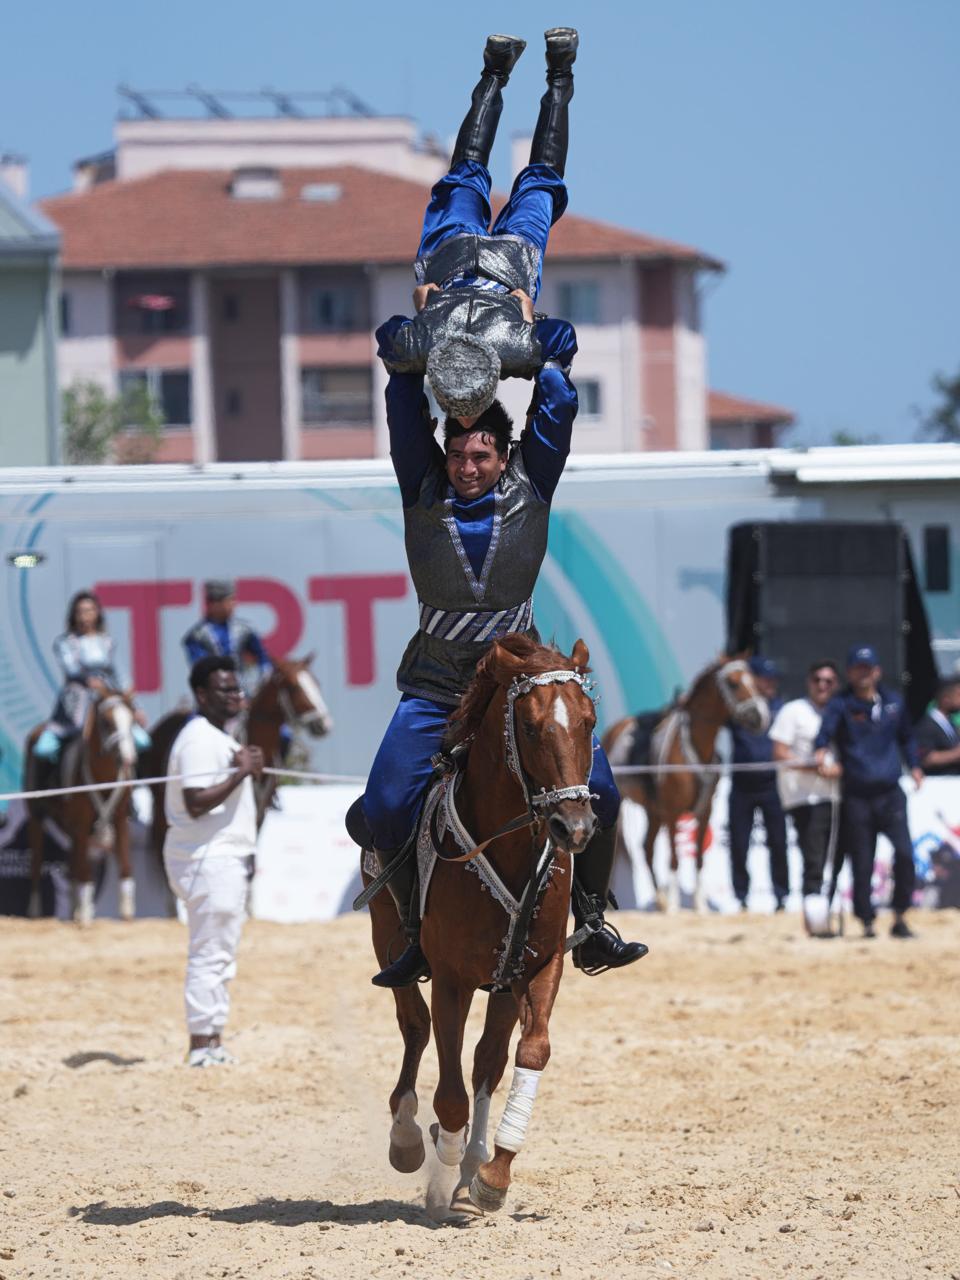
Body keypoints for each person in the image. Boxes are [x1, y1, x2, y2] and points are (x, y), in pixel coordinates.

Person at [356, 30, 646, 984]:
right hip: (440, 678)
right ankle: (403, 927)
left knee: (592, 787)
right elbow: (405, 401)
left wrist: (555, 353)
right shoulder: (423, 483)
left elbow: (555, 401)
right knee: (383, 807)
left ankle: (592, 915)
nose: (472, 464)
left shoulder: (532, 480)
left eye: (484, 451)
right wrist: (400, 351)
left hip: (519, 669)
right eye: (461, 451)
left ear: (503, 450)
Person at [376, 28, 577, 421]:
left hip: (511, 266)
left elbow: (563, 339)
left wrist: (529, 321)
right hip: (452, 258)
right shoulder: (420, 346)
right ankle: (495, 73)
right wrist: (420, 312)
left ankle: (560, 72)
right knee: (467, 175)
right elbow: (388, 334)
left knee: (540, 182)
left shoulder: (515, 353)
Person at [163, 656, 263, 1067]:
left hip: (221, 857)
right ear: (202, 695)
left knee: (221, 951)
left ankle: (212, 1040)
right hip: (208, 858)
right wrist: (241, 773)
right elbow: (195, 801)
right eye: (225, 690)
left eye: (237, 688)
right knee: (210, 952)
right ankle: (202, 1043)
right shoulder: (200, 739)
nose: (236, 695)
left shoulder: (217, 736)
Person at [814, 645, 923, 939]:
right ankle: (866, 921)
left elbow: (907, 738)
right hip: (857, 794)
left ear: (877, 671)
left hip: (890, 792)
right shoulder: (841, 705)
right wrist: (821, 753)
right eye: (858, 669)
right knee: (862, 861)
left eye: (868, 668)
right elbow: (823, 734)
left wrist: (915, 766)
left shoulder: (894, 703)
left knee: (904, 854)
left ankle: (900, 914)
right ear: (850, 673)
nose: (864, 673)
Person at [33, 590, 151, 761]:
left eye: (89, 611)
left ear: (97, 613)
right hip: (76, 703)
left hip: (106, 697)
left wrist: (136, 706)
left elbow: (121, 676)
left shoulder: (107, 642)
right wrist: (89, 681)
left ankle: (135, 783)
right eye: (80, 612)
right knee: (44, 749)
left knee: (142, 741)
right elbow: (71, 669)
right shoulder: (65, 642)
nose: (84, 617)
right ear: (73, 615)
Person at [769, 661, 843, 919]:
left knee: (836, 861)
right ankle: (813, 920)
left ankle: (827, 913)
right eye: (817, 680)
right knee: (814, 860)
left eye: (829, 681)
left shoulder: (840, 709)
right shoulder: (793, 711)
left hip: (839, 796)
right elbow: (779, 752)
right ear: (808, 682)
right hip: (805, 797)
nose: (822, 685)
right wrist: (814, 768)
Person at [726, 656, 789, 911]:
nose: (770, 683)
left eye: (773, 678)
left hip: (773, 784)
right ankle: (741, 896)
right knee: (739, 843)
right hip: (742, 785)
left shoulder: (782, 707)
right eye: (765, 678)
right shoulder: (739, 710)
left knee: (779, 841)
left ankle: (782, 895)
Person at [182, 580, 272, 698]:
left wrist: (263, 677)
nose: (233, 604)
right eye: (229, 600)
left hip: (243, 691)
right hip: (213, 694)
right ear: (215, 604)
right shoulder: (198, 635)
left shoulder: (244, 630)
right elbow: (200, 666)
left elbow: (263, 656)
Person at [913, 677, 960, 776]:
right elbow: (925, 758)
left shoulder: (951, 724)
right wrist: (955, 754)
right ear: (945, 699)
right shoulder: (927, 726)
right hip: (938, 784)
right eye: (958, 695)